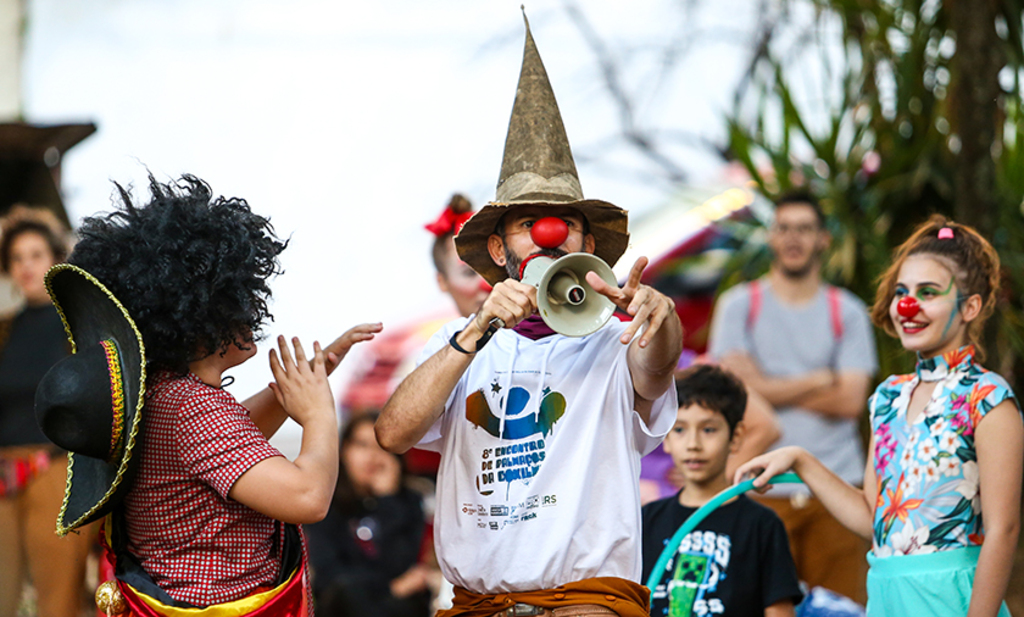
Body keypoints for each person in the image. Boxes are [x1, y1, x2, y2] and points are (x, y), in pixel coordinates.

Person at [376, 15, 682, 617]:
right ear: (499, 250)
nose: (548, 233)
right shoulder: (457, 343)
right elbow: (394, 433)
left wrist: (660, 317)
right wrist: (476, 331)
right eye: (528, 223)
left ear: (585, 239)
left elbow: (656, 368)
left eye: (563, 221)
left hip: (584, 602)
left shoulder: (619, 341)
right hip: (478, 605)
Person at [59, 174, 380, 614]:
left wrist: (305, 380)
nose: (250, 310)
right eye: (238, 298)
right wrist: (319, 411)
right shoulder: (195, 408)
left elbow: (227, 444)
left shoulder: (165, 395)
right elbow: (307, 497)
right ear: (202, 315)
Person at [735, 216, 1023, 616]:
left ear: (970, 306)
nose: (907, 305)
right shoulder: (888, 397)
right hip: (887, 598)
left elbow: (1003, 532)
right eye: (902, 291)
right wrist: (800, 460)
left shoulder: (988, 397)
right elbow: (875, 519)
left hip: (952, 599)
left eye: (928, 292)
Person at [707, 191, 877, 603]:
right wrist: (820, 379)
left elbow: (850, 403)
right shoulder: (739, 305)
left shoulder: (848, 311)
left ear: (823, 239)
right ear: (770, 237)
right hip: (756, 490)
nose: (793, 238)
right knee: (756, 608)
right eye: (783, 228)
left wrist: (764, 383)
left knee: (844, 610)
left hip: (836, 491)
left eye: (805, 229)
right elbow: (730, 394)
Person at [642, 364, 802, 617]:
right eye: (680, 430)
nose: (693, 444)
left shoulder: (761, 525)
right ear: (667, 439)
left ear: (736, 436)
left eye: (708, 429)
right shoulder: (646, 520)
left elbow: (779, 609)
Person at [0, 207, 93, 617]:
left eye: (35, 255)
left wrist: (51, 457)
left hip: (58, 469)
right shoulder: (3, 329)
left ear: (56, 258)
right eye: (17, 258)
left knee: (58, 599)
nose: (26, 266)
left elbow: (95, 403)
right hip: (5, 472)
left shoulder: (77, 324)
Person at [306, 414, 434, 616]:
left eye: (382, 447)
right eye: (362, 445)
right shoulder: (326, 502)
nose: (372, 457)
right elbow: (330, 574)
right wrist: (391, 588)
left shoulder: (408, 501)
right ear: (344, 450)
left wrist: (387, 500)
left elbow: (402, 563)